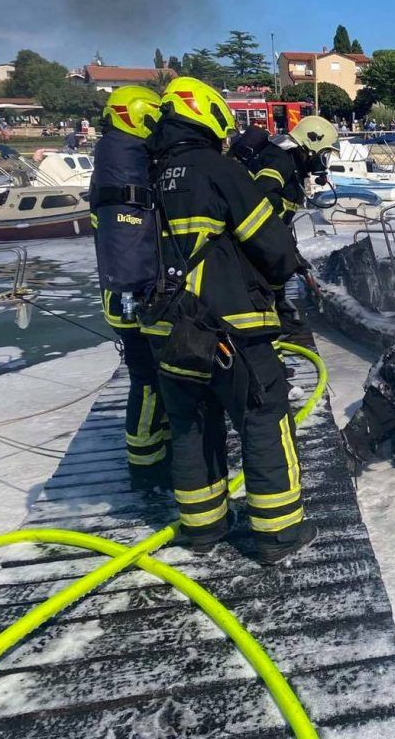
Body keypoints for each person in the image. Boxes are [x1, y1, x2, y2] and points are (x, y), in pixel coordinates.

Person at [142, 76, 312, 564]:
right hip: (228, 327)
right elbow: (273, 247)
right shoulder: (219, 170)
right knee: (264, 415)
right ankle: (279, 532)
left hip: (164, 329)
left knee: (191, 423)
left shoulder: (148, 175)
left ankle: (203, 527)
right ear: (209, 116)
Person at [89, 86, 171, 489]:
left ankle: (157, 444)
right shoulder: (126, 161)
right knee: (148, 377)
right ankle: (147, 464)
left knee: (153, 374)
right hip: (131, 296)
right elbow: (130, 244)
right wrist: (142, 299)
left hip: (125, 292)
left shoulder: (115, 157)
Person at [248, 115, 340, 345]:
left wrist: (289, 248)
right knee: (265, 283)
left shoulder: (290, 161)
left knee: (279, 274)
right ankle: (270, 340)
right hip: (256, 240)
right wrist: (282, 243)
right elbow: (262, 195)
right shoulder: (280, 159)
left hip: (268, 237)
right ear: (312, 144)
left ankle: (283, 321)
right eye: (324, 154)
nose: (323, 161)